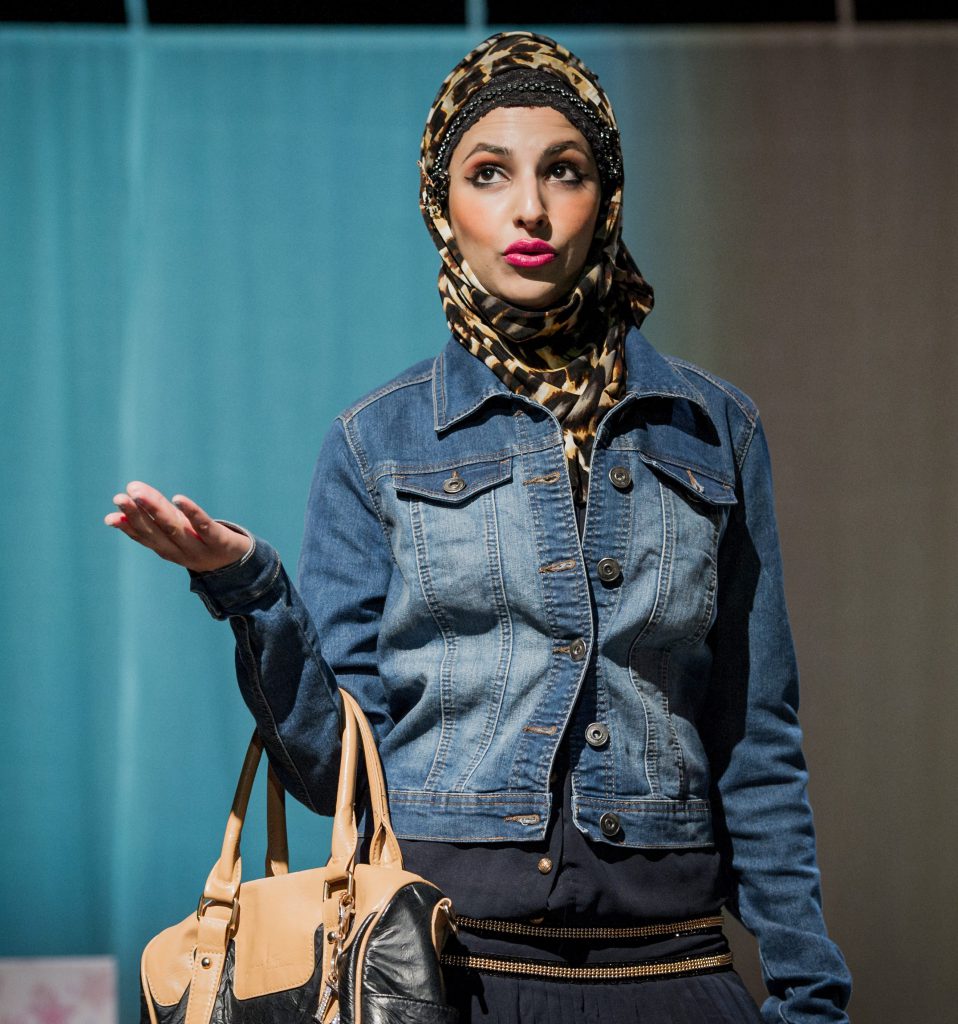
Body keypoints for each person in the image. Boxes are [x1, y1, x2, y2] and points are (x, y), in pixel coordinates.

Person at [105, 31, 852, 1024]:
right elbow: (336, 771)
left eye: (565, 171)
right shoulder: (377, 442)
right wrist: (248, 586)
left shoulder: (714, 430)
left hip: (671, 978)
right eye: (488, 173)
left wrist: (808, 993)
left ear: (608, 196)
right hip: (445, 979)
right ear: (441, 206)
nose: (530, 208)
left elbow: (755, 743)